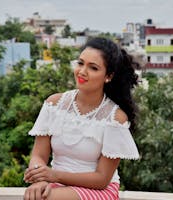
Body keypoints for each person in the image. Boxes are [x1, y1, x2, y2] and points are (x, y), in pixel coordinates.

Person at [23, 37, 140, 200]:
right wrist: (38, 180)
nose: (82, 71)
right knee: (35, 195)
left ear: (108, 76)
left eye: (93, 68)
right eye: (80, 63)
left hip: (98, 190)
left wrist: (54, 176)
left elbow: (102, 179)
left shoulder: (115, 118)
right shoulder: (54, 104)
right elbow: (38, 155)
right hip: (57, 184)